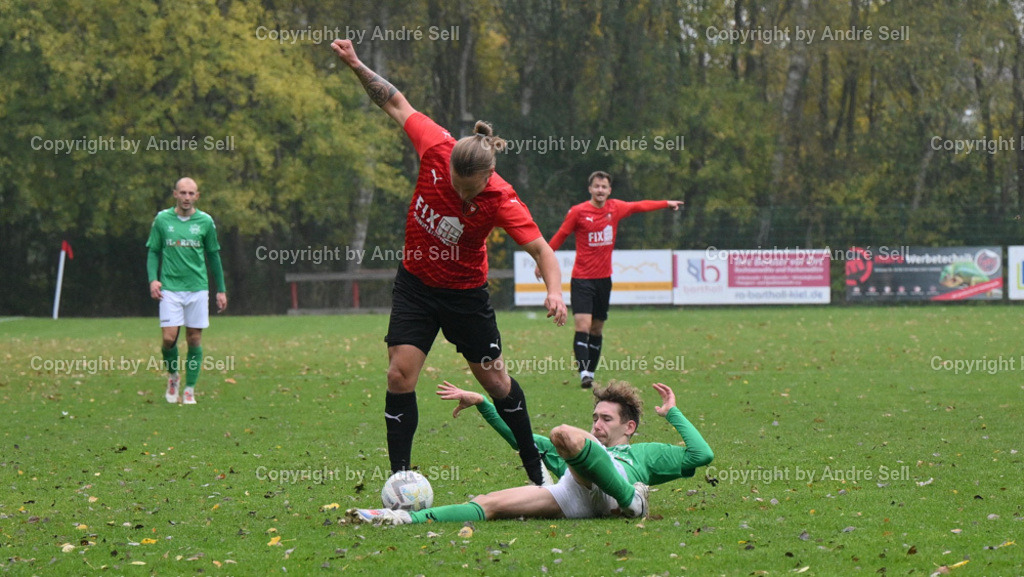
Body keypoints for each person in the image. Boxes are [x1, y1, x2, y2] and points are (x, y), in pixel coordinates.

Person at [330, 39, 568, 486]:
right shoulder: (436, 146)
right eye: (456, 185)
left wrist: (554, 290)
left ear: (487, 178)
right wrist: (356, 64)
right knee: (400, 373)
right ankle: (400, 481)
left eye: (469, 190)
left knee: (497, 384)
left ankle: (538, 478)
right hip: (416, 286)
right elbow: (396, 102)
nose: (460, 195)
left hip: (465, 297)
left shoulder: (501, 197)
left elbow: (542, 250)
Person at [346, 380, 712, 525]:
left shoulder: (645, 455)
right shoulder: (569, 452)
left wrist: (672, 413)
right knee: (488, 503)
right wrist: (483, 404)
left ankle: (630, 500)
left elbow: (702, 455)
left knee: (564, 435)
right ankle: (398, 519)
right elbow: (517, 439)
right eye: (595, 417)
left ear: (628, 427)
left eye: (606, 418)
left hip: (614, 491)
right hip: (573, 495)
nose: (598, 423)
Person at [542, 172, 682, 388]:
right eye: (596, 186)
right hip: (581, 280)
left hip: (604, 281)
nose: (600, 190)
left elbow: (639, 206)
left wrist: (666, 203)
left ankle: (590, 371)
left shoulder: (615, 208)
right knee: (583, 325)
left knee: (597, 329)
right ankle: (584, 374)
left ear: (609, 190)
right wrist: (544, 259)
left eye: (604, 187)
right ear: (590, 189)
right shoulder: (578, 212)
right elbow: (561, 234)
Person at [146, 177, 227, 405]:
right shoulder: (162, 220)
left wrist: (221, 290)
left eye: (191, 193)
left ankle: (190, 388)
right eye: (183, 193)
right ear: (175, 194)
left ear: (197, 196)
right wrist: (153, 280)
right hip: (170, 288)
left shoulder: (205, 222)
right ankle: (173, 376)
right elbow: (153, 251)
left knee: (194, 338)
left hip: (197, 289)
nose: (186, 197)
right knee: (169, 337)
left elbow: (213, 255)